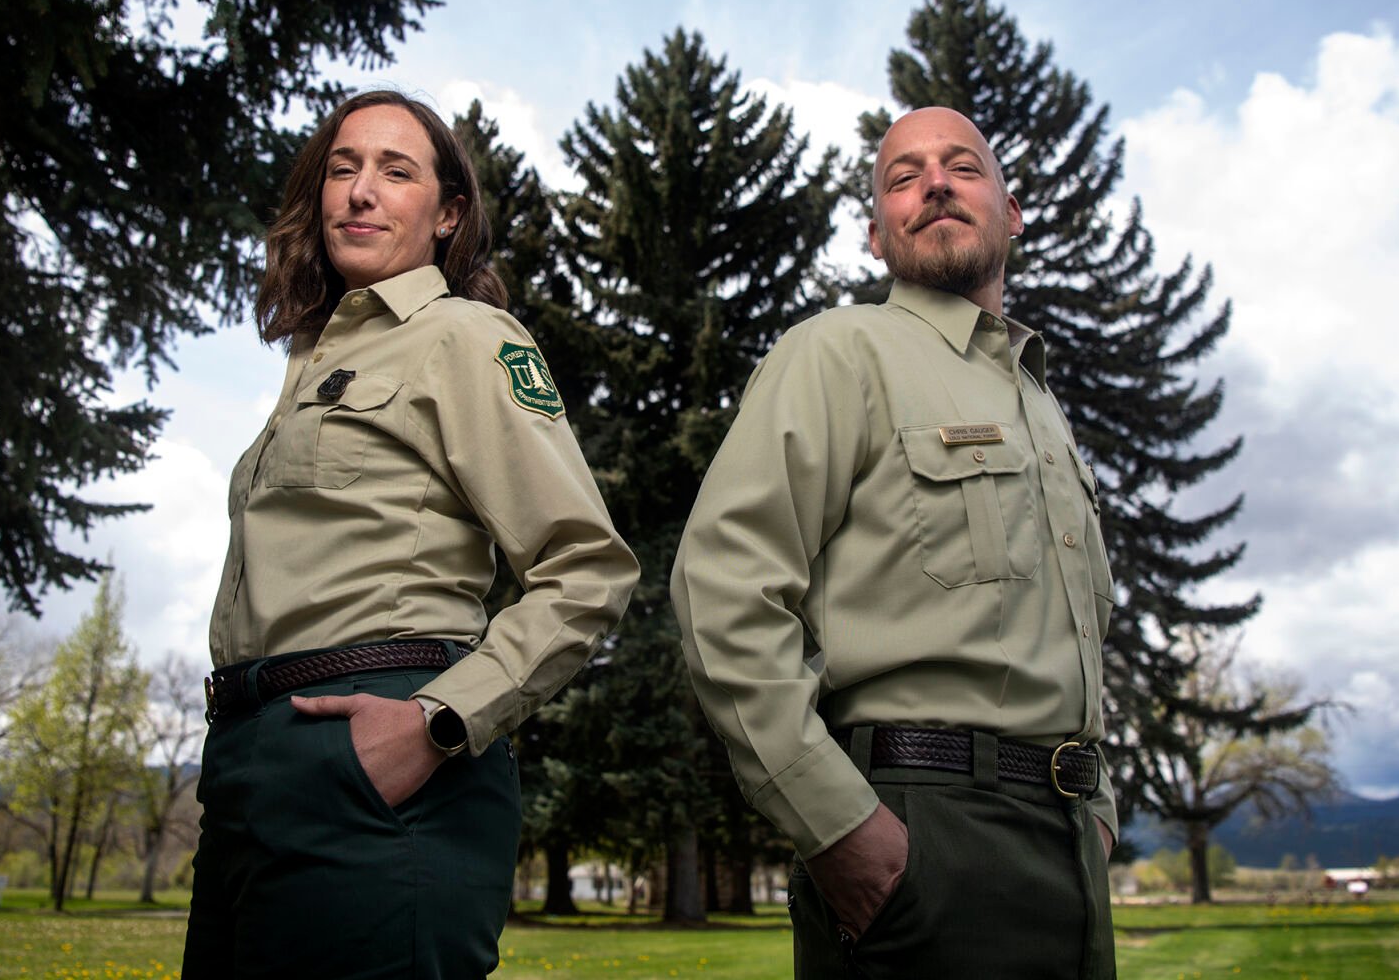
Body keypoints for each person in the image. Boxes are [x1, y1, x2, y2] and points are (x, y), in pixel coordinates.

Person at [183, 90, 638, 979]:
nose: (361, 190)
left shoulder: (464, 339)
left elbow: (585, 569)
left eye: (396, 171)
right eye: (343, 168)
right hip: (242, 760)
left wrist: (435, 725)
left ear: (447, 213)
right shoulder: (311, 363)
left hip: (377, 758)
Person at [670, 107, 1118, 979]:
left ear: (1011, 211)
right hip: (920, 832)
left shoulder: (1041, 410)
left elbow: (1077, 637)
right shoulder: (837, 353)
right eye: (903, 177)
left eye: (962, 167)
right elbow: (723, 591)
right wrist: (841, 828)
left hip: (1066, 841)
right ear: (876, 233)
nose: (935, 184)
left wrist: (1096, 808)